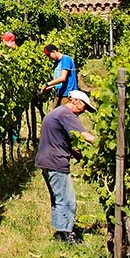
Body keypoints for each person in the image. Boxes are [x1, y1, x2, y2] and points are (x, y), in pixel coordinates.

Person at [36, 89, 97, 244]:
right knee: (67, 200)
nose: (83, 111)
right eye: (84, 107)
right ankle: (67, 235)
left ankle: (61, 232)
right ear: (75, 101)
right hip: (55, 162)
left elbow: (64, 140)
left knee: (58, 198)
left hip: (47, 160)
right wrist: (106, 145)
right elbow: (84, 136)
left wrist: (80, 156)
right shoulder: (66, 114)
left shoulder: (57, 113)